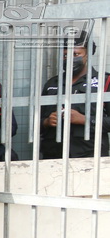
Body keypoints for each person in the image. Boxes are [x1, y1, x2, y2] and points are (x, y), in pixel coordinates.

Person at [40, 31, 110, 159]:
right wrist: (47, 122)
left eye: (76, 54)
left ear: (88, 54)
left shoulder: (105, 81)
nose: (70, 59)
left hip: (90, 155)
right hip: (54, 156)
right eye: (65, 55)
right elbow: (35, 122)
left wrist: (85, 120)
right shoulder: (51, 83)